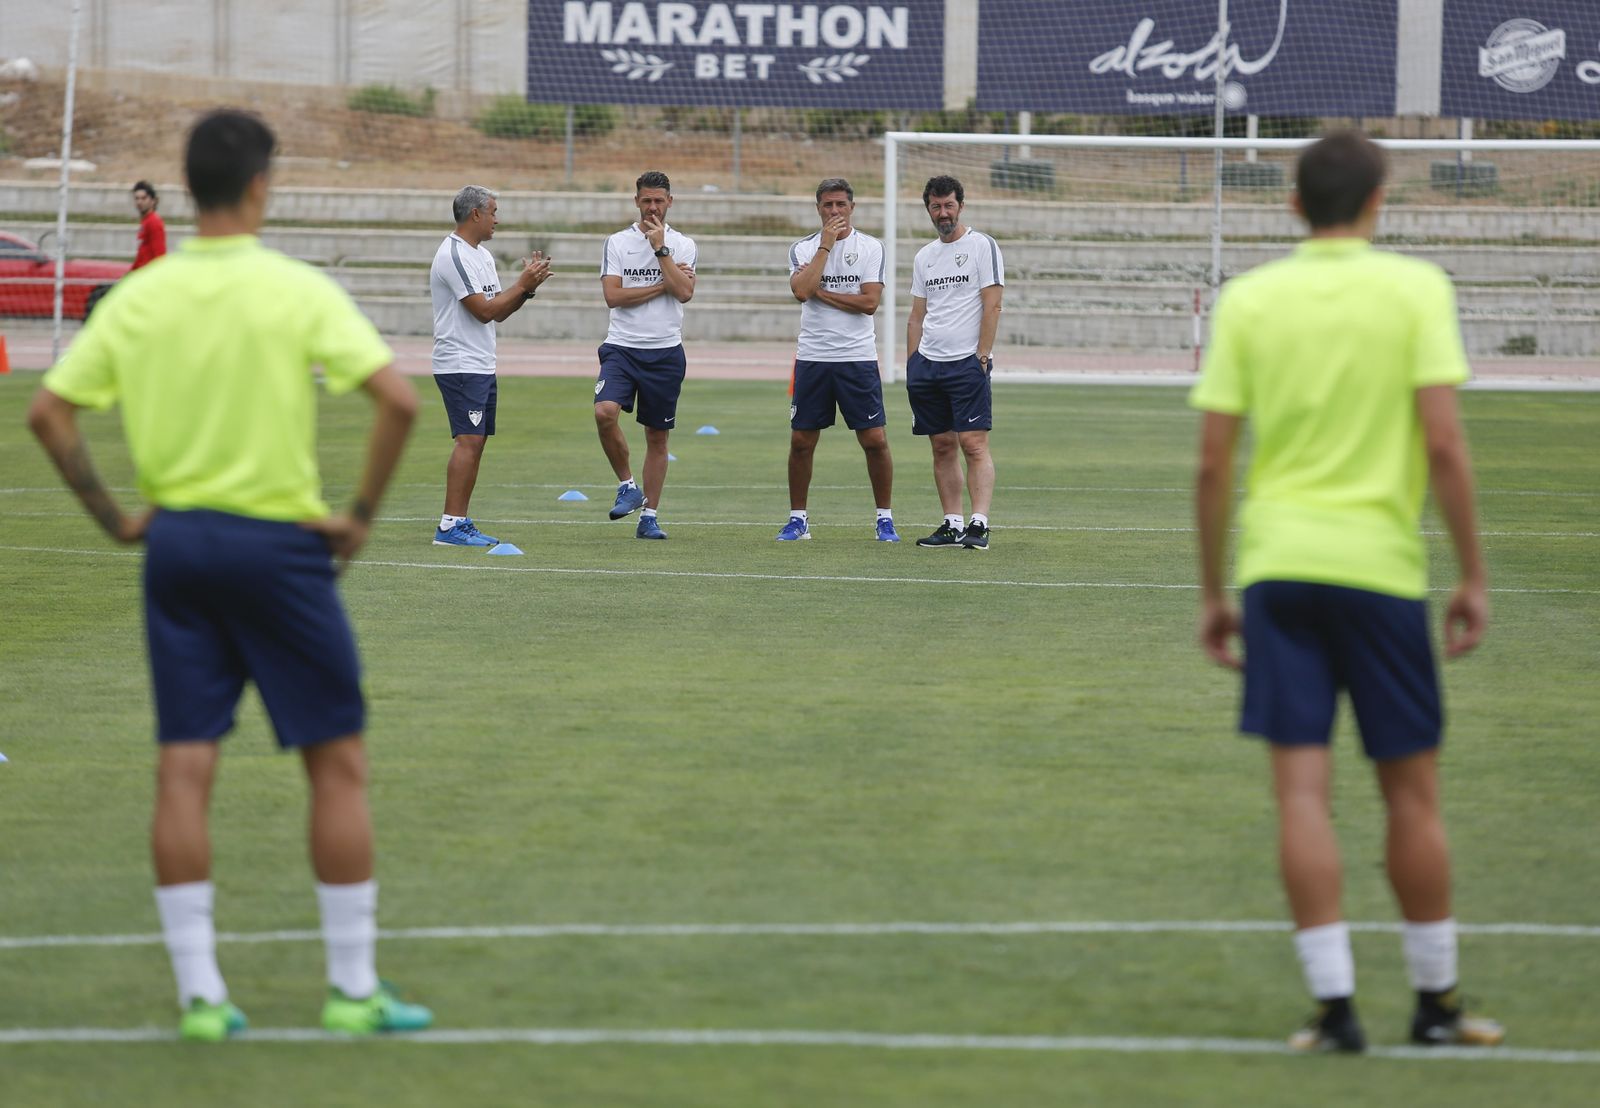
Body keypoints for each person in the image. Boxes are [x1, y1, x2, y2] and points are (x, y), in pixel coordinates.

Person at [28, 109, 431, 1041]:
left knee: (184, 764)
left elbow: (49, 414)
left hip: (177, 547)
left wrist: (119, 519)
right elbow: (400, 401)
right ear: (260, 184)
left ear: (190, 183)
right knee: (336, 761)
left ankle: (202, 997)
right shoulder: (292, 288)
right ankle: (352, 987)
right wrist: (360, 519)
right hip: (279, 547)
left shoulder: (141, 296)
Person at [1191, 129, 1504, 1054]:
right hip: (1380, 573)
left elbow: (1213, 463)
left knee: (1301, 795)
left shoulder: (1250, 300)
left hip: (1279, 570)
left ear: (1293, 205)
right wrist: (1474, 573)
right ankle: (1436, 1006)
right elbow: (1444, 445)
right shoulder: (1416, 290)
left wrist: (1214, 590)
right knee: (1412, 794)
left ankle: (1334, 1012)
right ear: (1379, 204)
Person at [428, 185, 552, 547]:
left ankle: (460, 521)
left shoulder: (481, 255)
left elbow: (498, 310)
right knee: (468, 440)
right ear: (476, 214)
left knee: (476, 442)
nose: (498, 218)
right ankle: (450, 526)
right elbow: (483, 312)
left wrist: (526, 289)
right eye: (494, 211)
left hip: (480, 361)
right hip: (460, 362)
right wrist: (522, 284)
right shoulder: (452, 254)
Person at [778, 177, 896, 543]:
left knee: (874, 439)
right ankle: (798, 520)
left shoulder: (871, 248)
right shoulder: (803, 248)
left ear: (852, 207)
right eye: (828, 206)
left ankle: (885, 519)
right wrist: (825, 247)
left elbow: (869, 303)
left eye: (841, 205)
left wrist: (821, 292)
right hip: (813, 357)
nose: (834, 212)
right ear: (818, 209)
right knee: (801, 441)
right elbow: (800, 291)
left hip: (857, 358)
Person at [594, 170, 697, 540]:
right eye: (646, 200)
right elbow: (613, 296)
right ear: (636, 201)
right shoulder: (617, 243)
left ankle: (649, 516)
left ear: (670, 202)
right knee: (605, 413)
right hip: (622, 347)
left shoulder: (683, 245)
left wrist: (660, 250)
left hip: (665, 352)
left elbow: (684, 293)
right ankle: (626, 485)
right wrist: (662, 283)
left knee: (657, 437)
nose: (652, 207)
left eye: (659, 200)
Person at [905, 175, 1003, 550]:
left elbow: (993, 304)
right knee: (941, 446)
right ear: (928, 208)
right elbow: (916, 315)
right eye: (935, 206)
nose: (942, 213)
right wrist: (913, 363)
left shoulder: (983, 246)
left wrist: (982, 356)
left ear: (961, 205)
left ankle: (979, 525)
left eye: (948, 205)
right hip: (928, 366)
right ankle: (952, 522)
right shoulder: (924, 256)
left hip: (967, 363)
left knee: (974, 444)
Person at [131, 180, 166, 270]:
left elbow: (160, 257)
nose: (139, 202)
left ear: (153, 201)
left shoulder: (154, 222)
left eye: (143, 198)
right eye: (137, 198)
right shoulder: (146, 221)